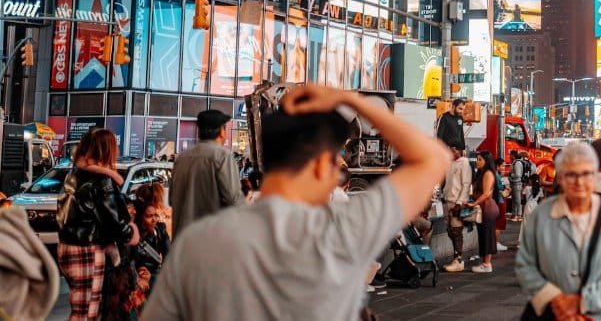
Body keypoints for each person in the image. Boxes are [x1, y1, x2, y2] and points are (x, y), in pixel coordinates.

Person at [142, 84, 451, 320]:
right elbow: (433, 158)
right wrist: (351, 99)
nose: (337, 178)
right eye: (335, 166)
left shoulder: (194, 244)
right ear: (318, 165)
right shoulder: (341, 231)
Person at [514, 142, 601, 321]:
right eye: (571, 174)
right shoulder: (541, 216)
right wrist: (555, 299)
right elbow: (525, 265)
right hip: (550, 313)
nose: (579, 181)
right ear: (561, 178)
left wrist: (583, 303)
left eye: (586, 173)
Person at [58, 129, 139, 321]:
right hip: (87, 249)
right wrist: (131, 233)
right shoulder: (102, 181)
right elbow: (115, 222)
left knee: (80, 309)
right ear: (106, 150)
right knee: (87, 312)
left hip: (67, 247)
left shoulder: (74, 175)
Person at [170, 110, 241, 237]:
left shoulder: (181, 158)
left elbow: (171, 200)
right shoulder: (222, 156)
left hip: (181, 243)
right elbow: (233, 199)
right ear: (221, 131)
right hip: (209, 242)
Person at [467, 150, 501, 273]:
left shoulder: (488, 174)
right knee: (483, 234)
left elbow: (486, 193)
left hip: (487, 207)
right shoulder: (481, 173)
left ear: (486, 161)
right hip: (484, 207)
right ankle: (485, 262)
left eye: (480, 159)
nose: (477, 161)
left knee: (487, 234)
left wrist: (474, 203)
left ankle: (487, 264)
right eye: (477, 159)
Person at [442, 145, 474, 272]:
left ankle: (458, 259)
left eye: (454, 150)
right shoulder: (450, 163)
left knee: (456, 231)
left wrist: (460, 203)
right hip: (448, 200)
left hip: (456, 203)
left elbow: (466, 184)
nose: (452, 152)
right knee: (450, 230)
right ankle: (456, 257)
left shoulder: (464, 163)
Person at [509, 150, 531, 220]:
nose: (509, 156)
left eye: (510, 155)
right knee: (515, 199)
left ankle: (519, 215)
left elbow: (518, 174)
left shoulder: (517, 163)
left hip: (516, 183)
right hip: (515, 183)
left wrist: (510, 175)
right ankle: (514, 214)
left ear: (513, 155)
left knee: (517, 200)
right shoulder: (516, 162)